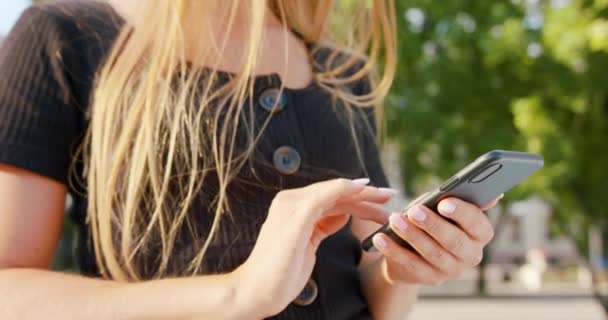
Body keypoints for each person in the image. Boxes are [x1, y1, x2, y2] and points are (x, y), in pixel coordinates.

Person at [0, 1, 498, 319]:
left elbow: (368, 280)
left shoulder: (344, 72)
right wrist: (235, 295)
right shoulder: (63, 37)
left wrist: (405, 268)